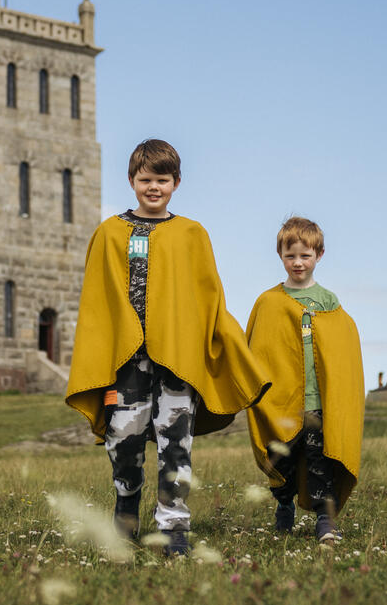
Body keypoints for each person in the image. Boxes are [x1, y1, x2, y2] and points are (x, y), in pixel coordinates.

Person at [65, 139, 271, 556]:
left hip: (178, 359)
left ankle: (173, 527)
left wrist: (227, 344)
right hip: (125, 361)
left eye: (162, 180)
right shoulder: (108, 232)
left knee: (175, 442)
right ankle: (126, 506)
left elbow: (208, 297)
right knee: (122, 439)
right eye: (146, 180)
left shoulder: (192, 233)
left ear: (177, 182)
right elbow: (96, 299)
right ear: (131, 181)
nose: (153, 187)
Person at [246, 217, 364, 544]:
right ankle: (284, 505)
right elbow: (258, 348)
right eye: (290, 256)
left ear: (319, 255)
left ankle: (326, 521)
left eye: (305, 256)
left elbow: (344, 350)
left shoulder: (330, 303)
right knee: (282, 458)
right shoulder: (269, 302)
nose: (298, 263)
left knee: (320, 460)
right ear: (280, 256)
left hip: (318, 400)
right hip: (281, 401)